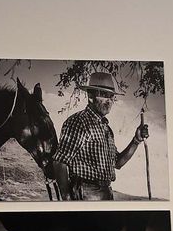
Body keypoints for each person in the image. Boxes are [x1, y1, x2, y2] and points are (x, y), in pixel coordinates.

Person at [49, 70, 149, 200]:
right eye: (104, 95)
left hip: (106, 192)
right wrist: (67, 199)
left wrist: (136, 140)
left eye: (111, 96)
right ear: (91, 96)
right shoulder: (79, 122)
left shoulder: (106, 129)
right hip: (86, 192)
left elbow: (117, 163)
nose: (109, 101)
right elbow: (60, 162)